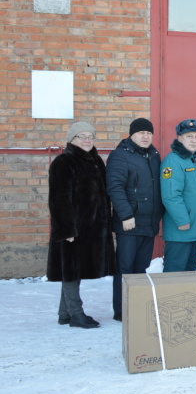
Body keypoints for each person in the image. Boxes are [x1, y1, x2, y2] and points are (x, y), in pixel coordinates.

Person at [47, 122, 115, 328]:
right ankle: (76, 314)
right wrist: (66, 229)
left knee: (73, 270)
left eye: (90, 136)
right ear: (72, 140)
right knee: (71, 269)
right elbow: (58, 199)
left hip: (92, 229)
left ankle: (64, 313)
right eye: (81, 136)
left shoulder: (96, 161)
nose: (86, 140)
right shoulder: (63, 162)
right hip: (73, 228)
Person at [106, 118, 162, 322]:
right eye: (141, 133)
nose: (145, 136)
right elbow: (115, 187)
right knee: (125, 268)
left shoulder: (153, 155)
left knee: (141, 267)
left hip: (148, 223)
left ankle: (137, 305)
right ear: (132, 135)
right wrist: (126, 215)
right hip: (129, 223)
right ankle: (121, 310)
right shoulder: (120, 156)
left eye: (149, 133)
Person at [160, 119, 196, 273]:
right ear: (179, 138)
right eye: (189, 136)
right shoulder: (173, 161)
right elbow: (171, 195)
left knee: (189, 272)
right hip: (181, 229)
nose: (193, 140)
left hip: (194, 228)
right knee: (175, 272)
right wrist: (182, 220)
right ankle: (169, 298)